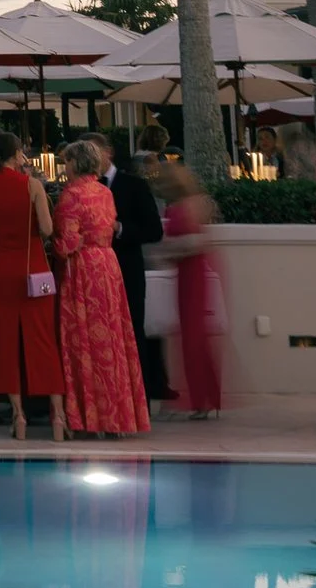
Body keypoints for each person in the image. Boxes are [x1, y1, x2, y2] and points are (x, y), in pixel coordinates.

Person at [52, 140, 150, 439]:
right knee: (113, 338)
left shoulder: (71, 196)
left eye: (66, 161)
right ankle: (117, 415)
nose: (64, 166)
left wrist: (52, 243)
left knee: (81, 339)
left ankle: (87, 415)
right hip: (108, 266)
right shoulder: (105, 192)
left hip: (82, 269)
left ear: (75, 163)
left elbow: (66, 244)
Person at [0, 132, 65, 443]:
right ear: (18, 154)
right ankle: (58, 415)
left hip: (0, 271)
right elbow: (47, 229)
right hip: (34, 268)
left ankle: (18, 414)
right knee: (43, 339)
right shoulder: (32, 185)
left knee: (6, 343)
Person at [149, 162, 225, 419]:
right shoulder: (187, 204)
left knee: (195, 339)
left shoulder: (189, 205)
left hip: (193, 275)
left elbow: (197, 241)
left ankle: (203, 401)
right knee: (191, 339)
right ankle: (203, 399)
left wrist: (170, 249)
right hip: (186, 275)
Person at [98, 136, 168, 403]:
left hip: (127, 270)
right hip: (96, 276)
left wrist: (121, 229)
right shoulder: (84, 188)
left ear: (108, 153)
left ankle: (138, 398)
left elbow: (154, 230)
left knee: (133, 332)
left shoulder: (134, 186)